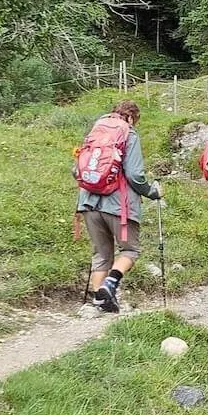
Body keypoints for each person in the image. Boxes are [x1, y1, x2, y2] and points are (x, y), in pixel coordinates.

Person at [77, 99, 162, 313]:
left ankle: (99, 302)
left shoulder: (96, 131)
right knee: (130, 250)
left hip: (88, 202)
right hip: (119, 205)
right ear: (132, 117)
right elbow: (134, 174)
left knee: (101, 254)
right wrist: (152, 192)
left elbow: (76, 170)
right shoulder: (129, 133)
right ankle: (110, 285)